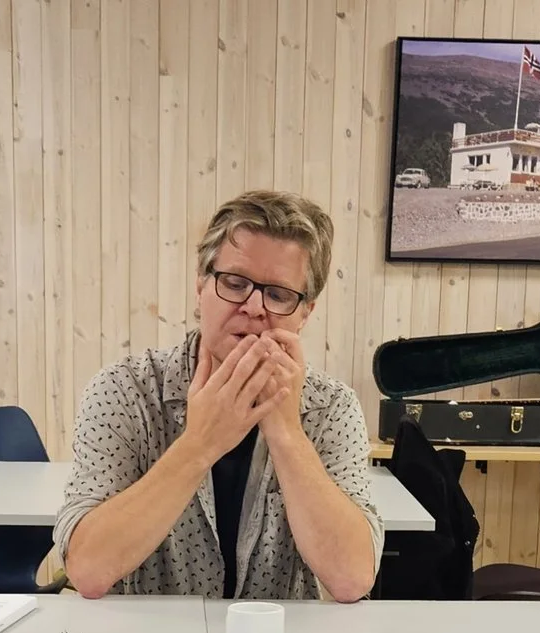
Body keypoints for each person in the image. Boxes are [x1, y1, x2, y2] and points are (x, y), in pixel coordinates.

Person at [59, 190, 379, 602]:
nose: (254, 307)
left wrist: (286, 432)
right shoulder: (124, 390)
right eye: (235, 283)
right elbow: (87, 570)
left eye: (278, 295)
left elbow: (352, 578)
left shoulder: (332, 407)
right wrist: (200, 444)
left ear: (305, 313)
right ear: (201, 287)